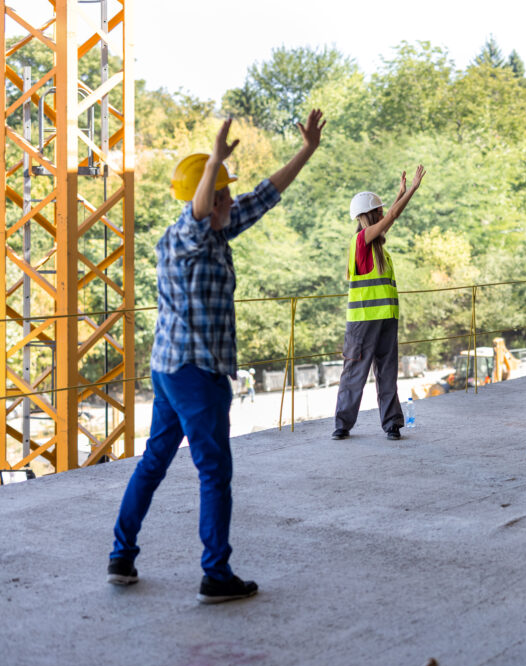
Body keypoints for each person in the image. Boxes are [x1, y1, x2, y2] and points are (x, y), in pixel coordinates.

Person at [107, 110, 325, 602]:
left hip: (169, 369)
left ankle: (121, 556)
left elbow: (265, 196)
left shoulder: (216, 231)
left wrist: (307, 150)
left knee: (155, 461)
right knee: (214, 472)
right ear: (208, 198)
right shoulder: (189, 233)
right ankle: (215, 573)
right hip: (195, 373)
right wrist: (213, 164)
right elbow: (200, 209)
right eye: (224, 193)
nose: (231, 200)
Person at [332, 165, 426, 441]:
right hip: (365, 321)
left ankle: (390, 425)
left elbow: (392, 217)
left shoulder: (375, 245)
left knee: (382, 373)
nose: (385, 215)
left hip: (382, 319)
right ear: (369, 216)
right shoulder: (362, 240)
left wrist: (400, 192)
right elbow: (394, 216)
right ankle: (345, 425)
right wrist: (412, 190)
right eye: (380, 212)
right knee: (357, 373)